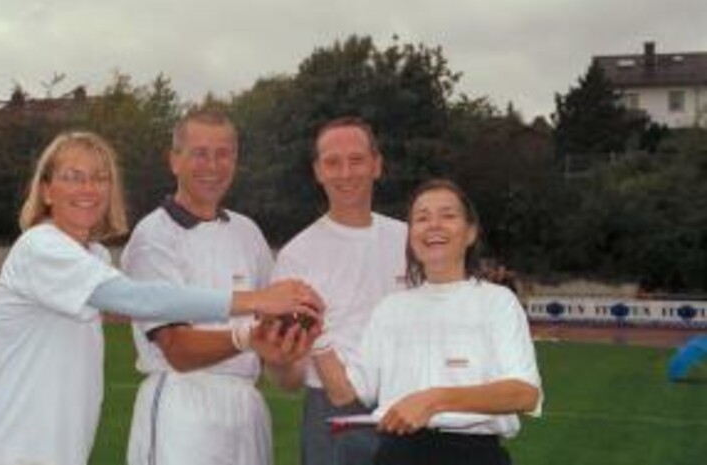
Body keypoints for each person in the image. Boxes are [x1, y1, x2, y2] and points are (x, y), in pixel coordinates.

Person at [0, 131, 322, 465]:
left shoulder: (94, 256)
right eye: (73, 177)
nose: (88, 188)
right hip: (16, 451)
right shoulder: (40, 247)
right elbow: (138, 299)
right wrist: (254, 301)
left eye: (100, 177)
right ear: (46, 191)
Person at [123, 109, 317, 465]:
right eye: (199, 153)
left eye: (223, 153)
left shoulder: (248, 233)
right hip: (182, 409)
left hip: (246, 410)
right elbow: (177, 350)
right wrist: (248, 339)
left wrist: (289, 351)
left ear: (236, 160)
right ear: (174, 160)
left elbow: (273, 354)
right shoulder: (154, 237)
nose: (212, 166)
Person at [312, 178, 542, 465]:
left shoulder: (497, 302)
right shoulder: (390, 309)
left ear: (470, 233)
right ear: (411, 235)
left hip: (473, 455)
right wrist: (316, 337)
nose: (433, 225)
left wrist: (434, 400)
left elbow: (525, 394)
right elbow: (345, 394)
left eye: (448, 215)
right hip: (397, 454)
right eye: (422, 218)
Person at [271, 116, 408, 465]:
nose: (346, 173)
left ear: (377, 165)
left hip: (408, 402)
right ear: (318, 171)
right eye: (333, 162)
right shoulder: (296, 256)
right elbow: (288, 374)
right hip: (331, 410)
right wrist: (282, 357)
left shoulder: (410, 241)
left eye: (357, 160)